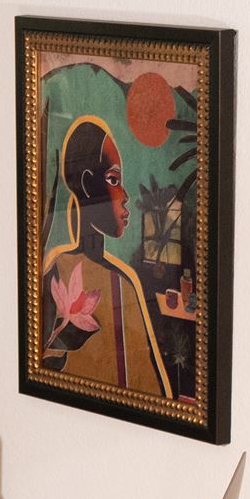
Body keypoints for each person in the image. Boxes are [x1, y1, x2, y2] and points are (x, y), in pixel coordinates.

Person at [40, 115, 172, 398]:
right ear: (88, 185)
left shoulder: (123, 282)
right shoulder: (56, 269)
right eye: (113, 179)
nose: (124, 195)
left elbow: (149, 385)